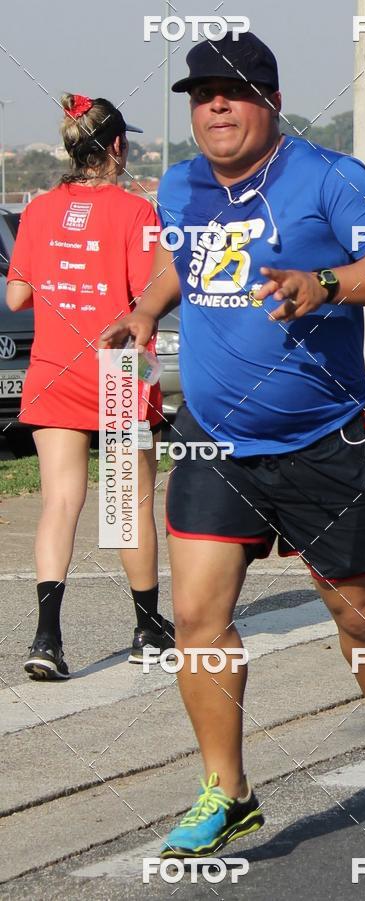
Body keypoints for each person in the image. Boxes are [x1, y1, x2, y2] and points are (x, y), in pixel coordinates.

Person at [100, 33, 365, 855]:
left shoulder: (326, 178)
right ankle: (228, 788)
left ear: (270, 101)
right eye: (201, 92)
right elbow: (181, 262)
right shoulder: (179, 185)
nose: (214, 104)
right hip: (216, 441)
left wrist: (325, 284)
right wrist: (146, 310)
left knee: (358, 615)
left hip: (324, 436)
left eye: (233, 90)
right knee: (195, 619)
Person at [7, 93, 174, 680]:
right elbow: (147, 290)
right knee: (130, 506)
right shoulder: (136, 212)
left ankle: (47, 639)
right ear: (120, 148)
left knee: (59, 503)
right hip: (119, 367)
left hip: (52, 366)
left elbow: (16, 296)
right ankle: (147, 630)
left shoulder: (37, 210)